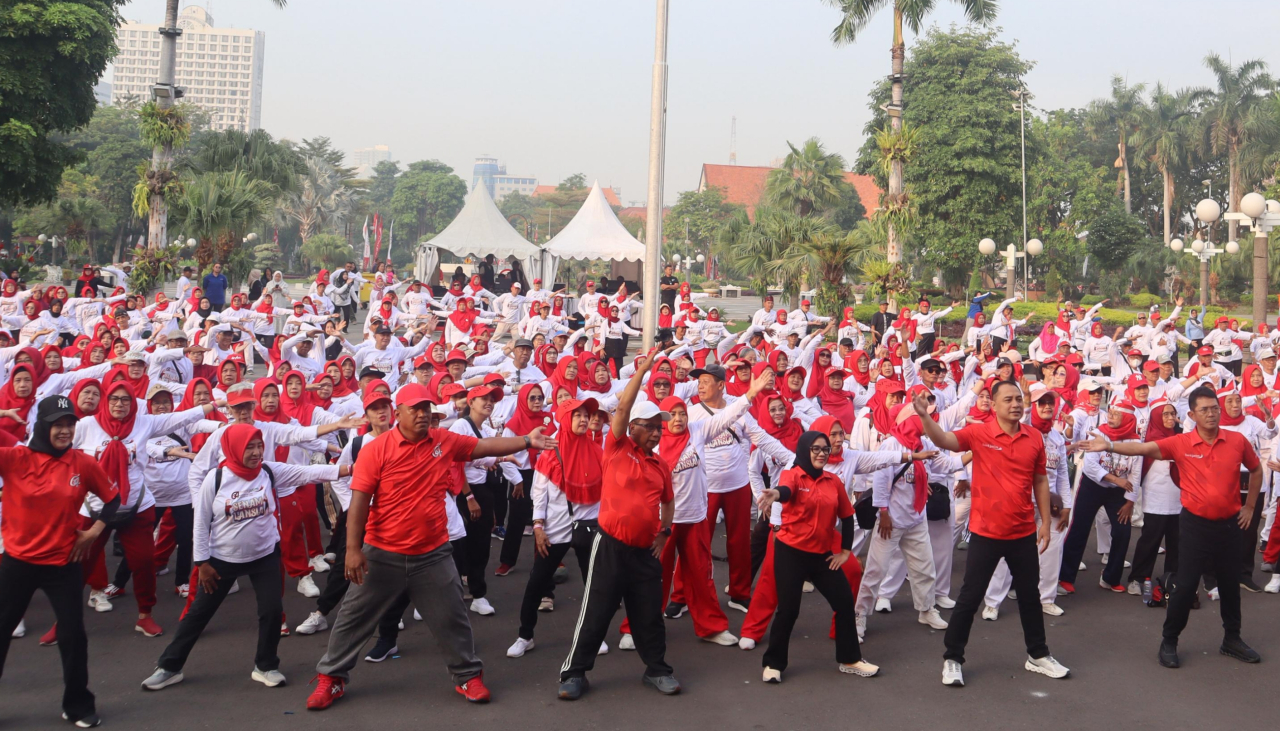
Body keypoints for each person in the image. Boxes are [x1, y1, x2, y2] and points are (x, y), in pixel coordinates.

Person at [306, 383, 556, 711]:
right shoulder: (375, 450)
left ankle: (468, 675)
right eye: (415, 409)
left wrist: (526, 440)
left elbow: (482, 446)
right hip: (383, 553)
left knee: (453, 616)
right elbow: (359, 504)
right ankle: (331, 679)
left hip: (432, 554)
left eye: (427, 408)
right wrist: (352, 550)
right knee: (353, 617)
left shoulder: (442, 440)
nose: (423, 414)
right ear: (399, 414)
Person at [141, 424, 350, 691]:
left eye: (259, 446)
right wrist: (202, 563)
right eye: (248, 447)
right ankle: (169, 667)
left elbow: (309, 472)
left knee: (272, 612)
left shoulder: (268, 471)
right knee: (198, 615)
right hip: (221, 561)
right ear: (233, 448)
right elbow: (201, 523)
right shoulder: (215, 479)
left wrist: (351, 469)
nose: (255, 452)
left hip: (265, 558)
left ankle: (266, 666)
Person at [1074, 385, 1264, 669]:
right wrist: (1110, 445)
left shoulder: (1237, 441)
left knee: (1229, 585)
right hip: (1195, 526)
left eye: (1215, 408)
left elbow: (1256, 469)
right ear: (1192, 415)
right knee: (1185, 586)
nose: (1211, 414)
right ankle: (1169, 640)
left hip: (1229, 527)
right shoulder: (1181, 443)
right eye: (1204, 410)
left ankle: (1232, 639)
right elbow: (1143, 448)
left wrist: (1249, 506)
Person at [909, 381, 1070, 687]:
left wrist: (1046, 523)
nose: (1015, 404)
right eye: (1008, 399)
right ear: (993, 405)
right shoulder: (979, 433)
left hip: (1023, 531)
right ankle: (953, 659)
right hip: (986, 531)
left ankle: (1038, 655)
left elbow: (1040, 481)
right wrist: (925, 417)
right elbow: (944, 438)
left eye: (1018, 399)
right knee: (970, 598)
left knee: (1030, 597)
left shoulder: (1034, 437)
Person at [557, 348, 679, 701]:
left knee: (649, 616)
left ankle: (657, 670)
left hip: (644, 553)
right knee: (595, 613)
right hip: (609, 546)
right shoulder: (617, 447)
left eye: (661, 426)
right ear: (634, 428)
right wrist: (640, 372)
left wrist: (665, 531)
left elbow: (668, 502)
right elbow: (622, 410)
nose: (658, 432)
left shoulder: (660, 466)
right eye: (652, 426)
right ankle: (574, 673)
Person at [0, 396, 120, 729]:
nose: (65, 430)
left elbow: (113, 501)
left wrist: (92, 532)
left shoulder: (81, 463)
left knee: (73, 635)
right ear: (42, 426)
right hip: (17, 564)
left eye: (70, 424)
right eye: (58, 424)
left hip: (63, 562)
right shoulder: (13, 458)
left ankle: (78, 705)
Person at [755, 430, 881, 683]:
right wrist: (775, 494)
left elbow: (847, 516)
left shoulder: (832, 481)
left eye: (825, 449)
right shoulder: (793, 474)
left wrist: (845, 551)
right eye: (816, 449)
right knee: (789, 610)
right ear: (804, 450)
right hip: (791, 553)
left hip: (822, 556)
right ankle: (773, 664)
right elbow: (786, 490)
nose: (822, 453)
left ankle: (849, 659)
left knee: (845, 603)